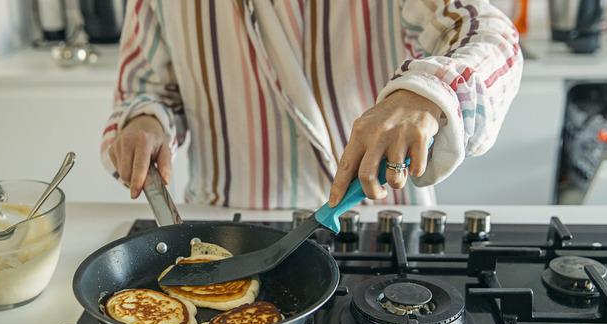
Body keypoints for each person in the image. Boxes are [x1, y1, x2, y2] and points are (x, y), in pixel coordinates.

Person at [100, 0, 523, 209]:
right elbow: (147, 87)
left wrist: (425, 93)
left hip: (379, 219)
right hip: (225, 228)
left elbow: (490, 33)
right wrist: (144, 120)